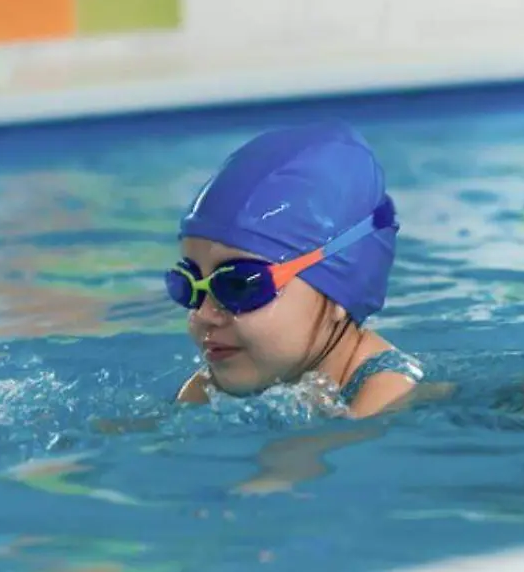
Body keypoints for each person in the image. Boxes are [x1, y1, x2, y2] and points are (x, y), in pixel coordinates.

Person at [165, 121, 424, 418]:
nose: (202, 314)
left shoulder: (387, 393)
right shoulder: (210, 387)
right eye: (188, 285)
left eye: (238, 285)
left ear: (341, 292)